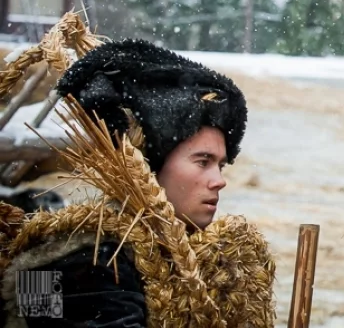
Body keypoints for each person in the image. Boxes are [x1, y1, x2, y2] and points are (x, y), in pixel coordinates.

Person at [0, 39, 275, 327]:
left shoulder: (182, 256)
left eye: (220, 166)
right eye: (203, 161)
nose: (219, 181)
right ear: (147, 168)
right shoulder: (78, 260)